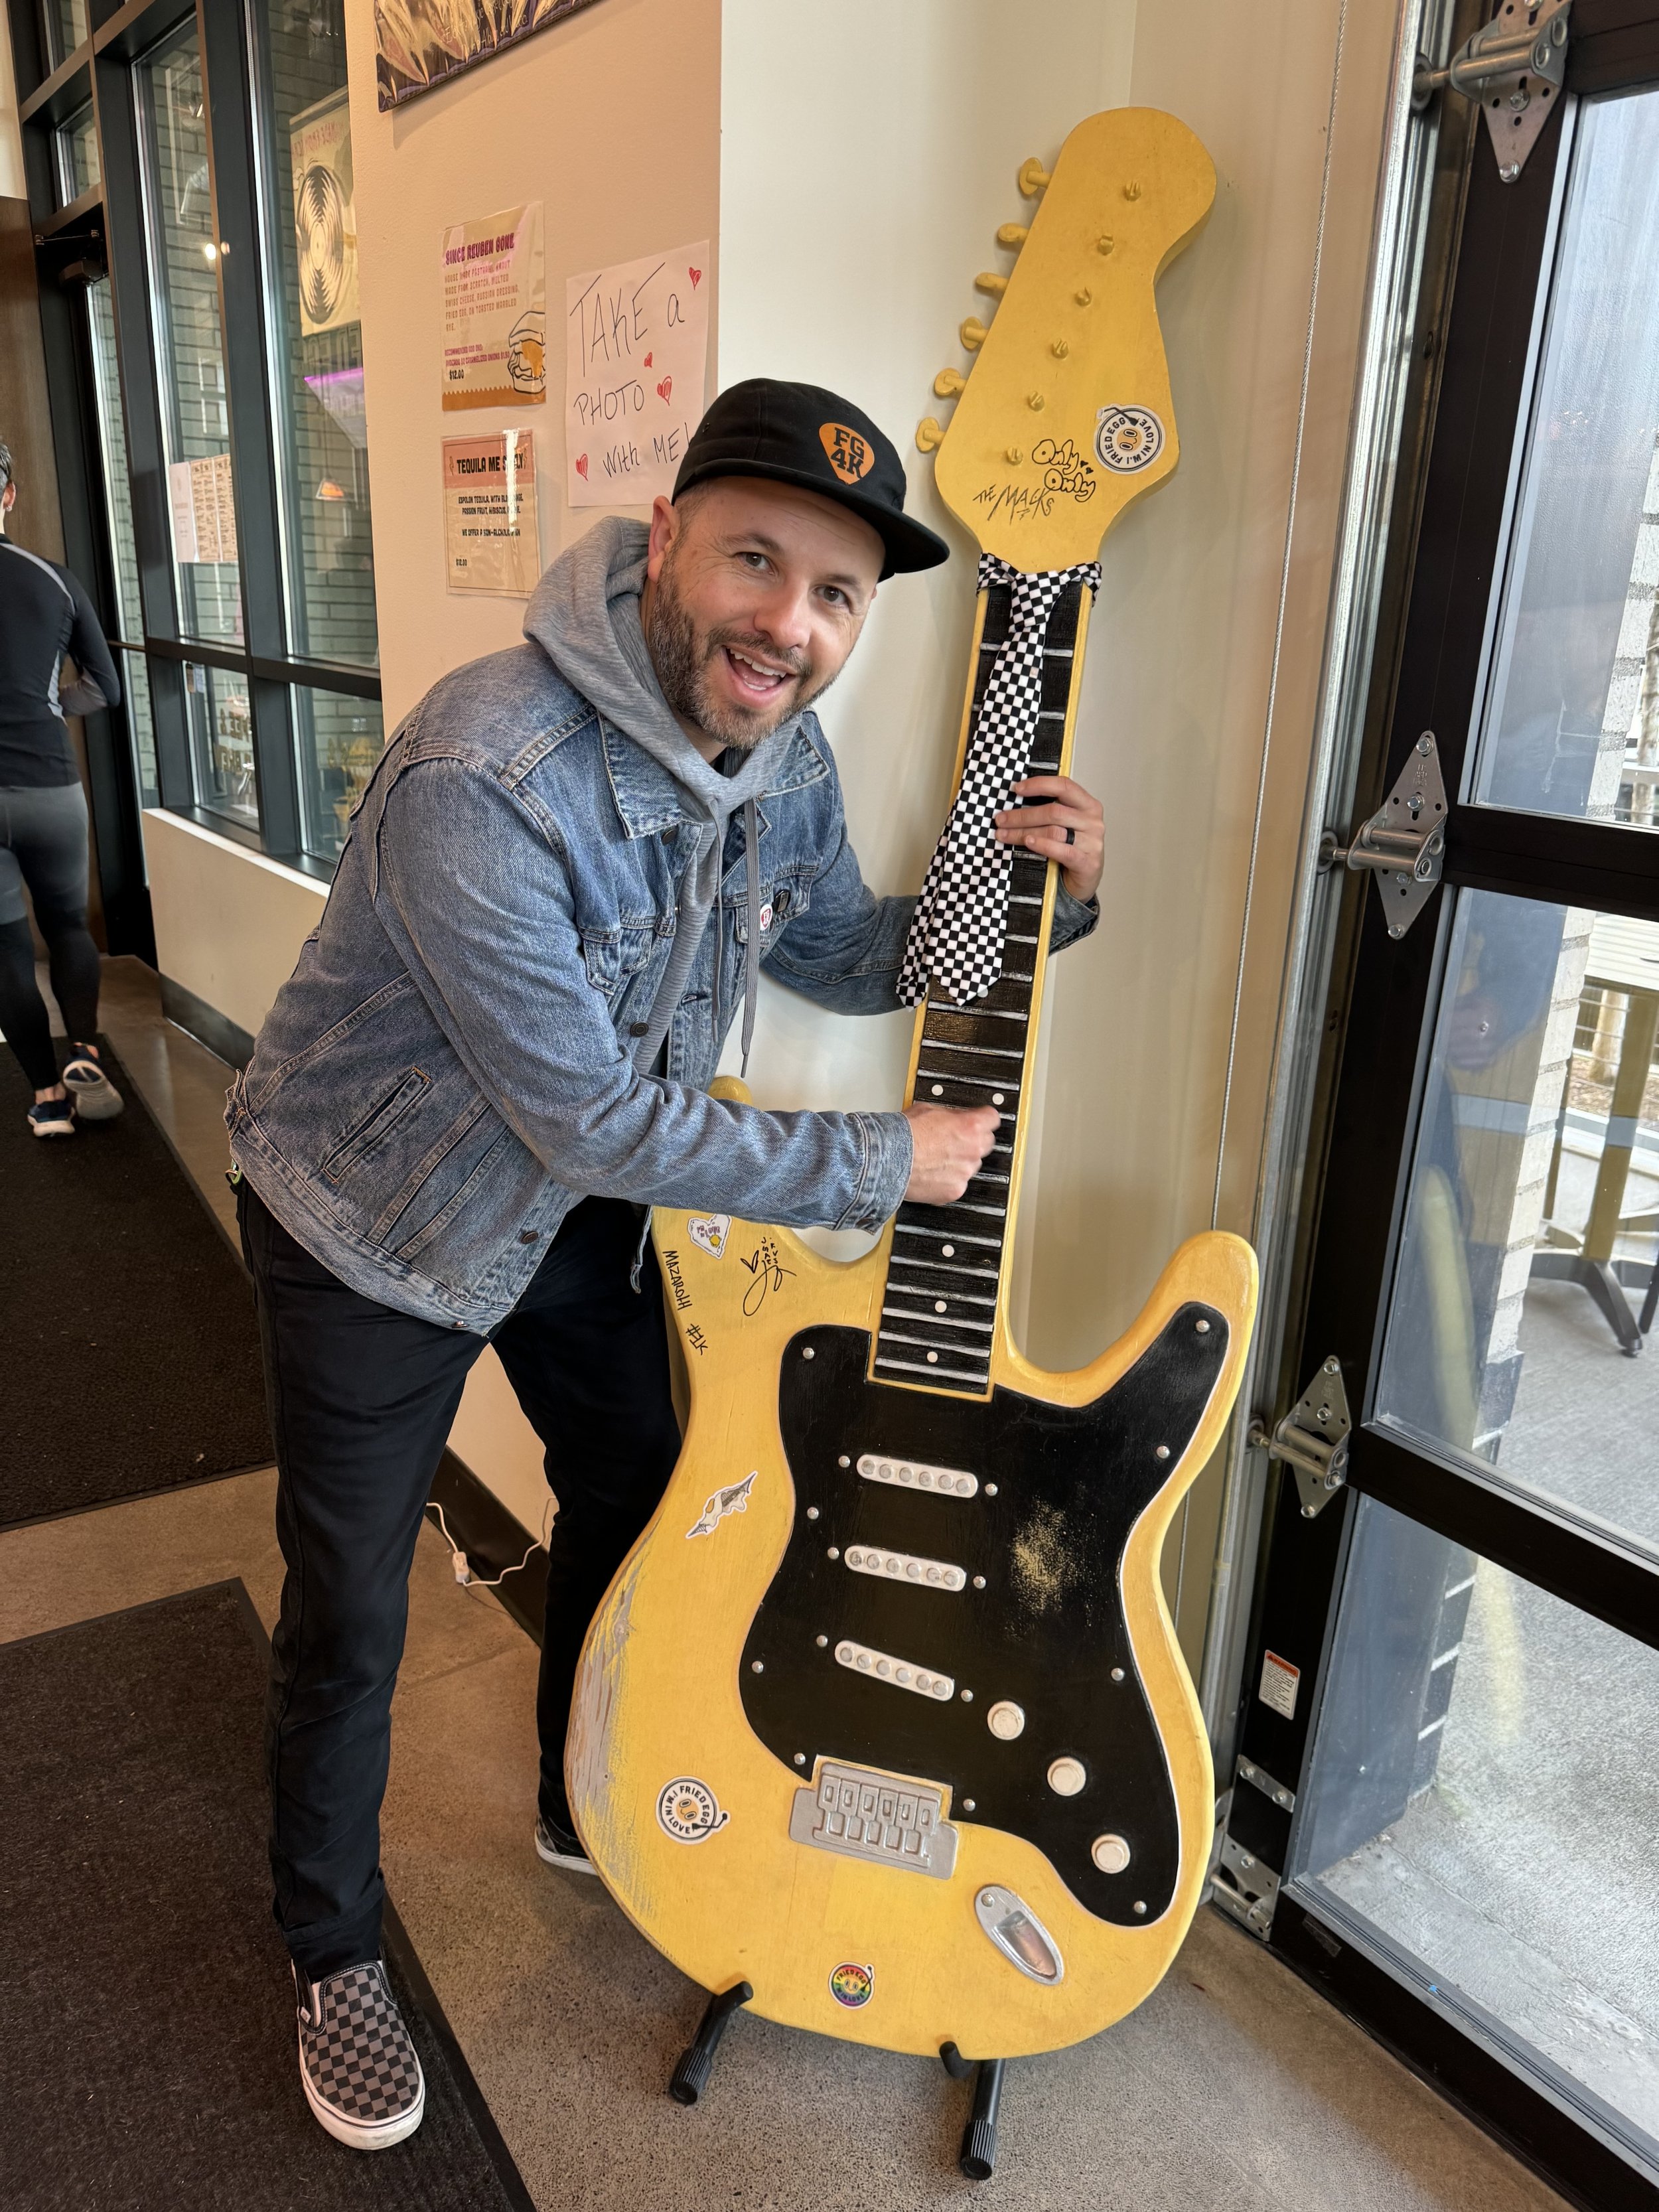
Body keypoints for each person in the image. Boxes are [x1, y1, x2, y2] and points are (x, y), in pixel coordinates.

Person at [226, 380, 1108, 2151]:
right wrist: (881, 1161)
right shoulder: (485, 770)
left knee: (636, 1473)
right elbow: (592, 1118)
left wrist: (1038, 895)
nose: (791, 621)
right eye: (757, 561)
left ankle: (577, 1778)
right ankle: (328, 1942)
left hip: (560, 1219)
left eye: (840, 592)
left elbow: (844, 949)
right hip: (375, 1222)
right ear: (663, 547)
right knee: (355, 1609)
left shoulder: (776, 747)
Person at [0, 438, 125, 1134]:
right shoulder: (51, 578)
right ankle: (82, 1047)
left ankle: (48, 1098)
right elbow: (104, 687)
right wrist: (51, 709)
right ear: (9, 496)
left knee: (4, 947)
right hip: (49, 787)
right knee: (68, 926)